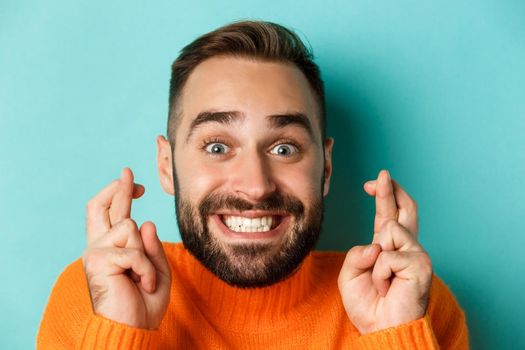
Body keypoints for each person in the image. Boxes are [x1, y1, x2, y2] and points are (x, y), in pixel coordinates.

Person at [37, 20, 469, 349]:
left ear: (326, 169)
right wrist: (120, 331)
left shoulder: (414, 306)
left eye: (284, 148)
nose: (256, 186)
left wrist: (392, 336)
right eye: (217, 146)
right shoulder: (91, 299)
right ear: (167, 166)